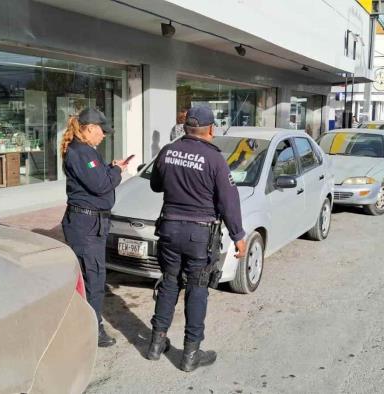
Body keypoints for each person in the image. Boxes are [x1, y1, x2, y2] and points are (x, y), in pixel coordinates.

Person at [146, 105, 247, 372]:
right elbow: (228, 200)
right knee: (197, 288)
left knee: (169, 282)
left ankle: (156, 344)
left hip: (168, 229)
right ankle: (191, 353)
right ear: (211, 129)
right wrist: (238, 235)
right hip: (198, 234)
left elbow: (155, 185)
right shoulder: (215, 159)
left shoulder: (168, 151)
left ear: (186, 127)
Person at [60, 108, 128, 348]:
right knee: (93, 280)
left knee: (90, 278)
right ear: (89, 128)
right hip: (86, 225)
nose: (104, 136)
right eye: (101, 131)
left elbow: (97, 177)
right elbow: (100, 184)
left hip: (90, 223)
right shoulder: (81, 152)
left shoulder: (86, 151)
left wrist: (110, 167)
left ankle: (83, 324)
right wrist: (117, 171)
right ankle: (91, 329)